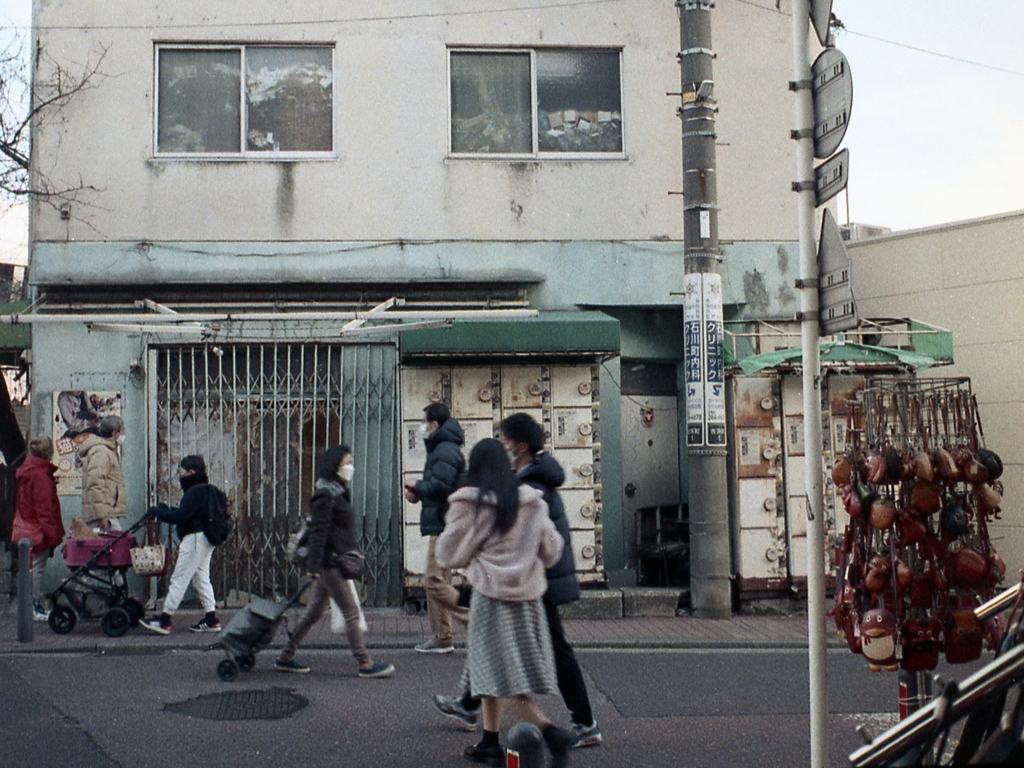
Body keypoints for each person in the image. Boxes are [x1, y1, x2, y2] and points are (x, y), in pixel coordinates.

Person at [434, 413, 603, 748]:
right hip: (530, 591)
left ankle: (553, 731)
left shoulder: (477, 502)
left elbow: (450, 554)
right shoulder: (534, 493)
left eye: (508, 438)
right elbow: (553, 548)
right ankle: (488, 738)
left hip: (492, 596)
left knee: (497, 673)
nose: (506, 445)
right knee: (491, 666)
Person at [274, 445, 394, 679]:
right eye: (346, 462)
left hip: (331, 562)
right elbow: (319, 532)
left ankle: (285, 657)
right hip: (329, 564)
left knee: (312, 614)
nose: (350, 467)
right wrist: (314, 566)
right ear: (334, 466)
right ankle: (365, 663)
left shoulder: (337, 492)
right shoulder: (325, 496)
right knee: (351, 612)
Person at [404, 402, 468, 654]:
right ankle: (442, 638)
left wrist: (417, 485)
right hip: (442, 521)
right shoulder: (441, 448)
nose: (421, 427)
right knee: (437, 580)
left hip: (444, 525)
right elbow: (441, 486)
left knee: (432, 581)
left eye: (423, 422)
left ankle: (478, 625)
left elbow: (441, 487)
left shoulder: (444, 450)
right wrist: (419, 494)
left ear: (434, 425)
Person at [140, 455, 224, 634]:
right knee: (201, 579)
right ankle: (211, 619)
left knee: (179, 579)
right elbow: (187, 513)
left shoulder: (193, 492)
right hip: (206, 539)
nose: (179, 476)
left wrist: (158, 512)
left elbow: (180, 517)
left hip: (193, 540)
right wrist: (165, 510)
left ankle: (164, 620)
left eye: (181, 472)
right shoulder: (207, 490)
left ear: (191, 472)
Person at [13, 436, 66, 621]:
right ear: (49, 453)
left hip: (26, 525)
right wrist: (52, 536)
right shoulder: (40, 476)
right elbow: (45, 510)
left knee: (29, 569)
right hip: (37, 530)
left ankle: (29, 606)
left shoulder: (29, 472)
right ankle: (32, 607)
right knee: (36, 570)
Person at [77, 415, 127, 533]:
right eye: (122, 431)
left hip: (106, 513)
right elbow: (95, 484)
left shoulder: (107, 450)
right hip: (103, 516)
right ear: (115, 434)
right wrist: (101, 516)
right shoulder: (102, 452)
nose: (123, 435)